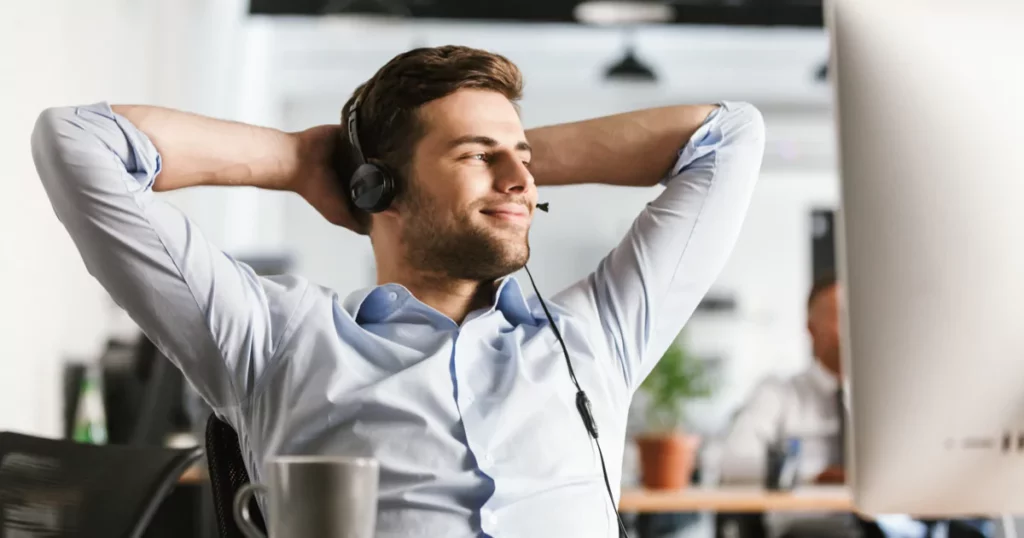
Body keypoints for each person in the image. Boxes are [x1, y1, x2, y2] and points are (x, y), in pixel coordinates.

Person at [31, 45, 764, 537]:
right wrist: (299, 159)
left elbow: (729, 137)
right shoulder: (275, 337)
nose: (523, 181)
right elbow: (77, 141)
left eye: (524, 159)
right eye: (477, 156)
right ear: (377, 186)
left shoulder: (594, 334)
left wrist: (503, 159)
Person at [718, 274, 992, 538]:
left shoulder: (893, 396)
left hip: (890, 527)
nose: (855, 327)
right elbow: (731, 464)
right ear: (811, 328)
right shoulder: (778, 393)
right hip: (807, 528)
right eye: (841, 316)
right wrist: (812, 476)